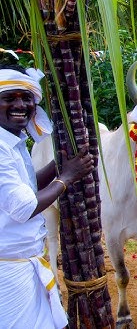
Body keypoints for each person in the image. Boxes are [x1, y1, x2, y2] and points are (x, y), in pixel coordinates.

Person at [0, 64, 94, 328]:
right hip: (8, 273)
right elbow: (23, 206)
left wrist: (58, 166)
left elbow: (26, 186)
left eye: (26, 97)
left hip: (25, 264)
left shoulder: (13, 143)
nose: (20, 105)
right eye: (9, 98)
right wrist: (67, 178)